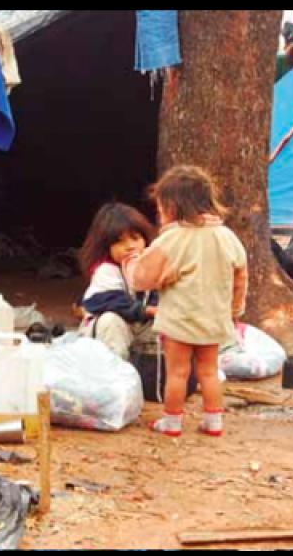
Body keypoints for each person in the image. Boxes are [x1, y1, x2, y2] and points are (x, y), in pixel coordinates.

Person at [124, 166, 248, 438]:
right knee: (209, 372)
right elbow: (241, 274)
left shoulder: (173, 239)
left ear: (171, 205)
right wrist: (234, 310)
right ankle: (214, 421)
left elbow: (142, 280)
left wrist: (131, 262)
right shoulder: (226, 237)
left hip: (179, 320)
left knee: (178, 373)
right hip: (214, 318)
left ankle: (172, 422)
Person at [77, 203, 158, 361]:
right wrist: (147, 310)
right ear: (106, 247)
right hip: (109, 338)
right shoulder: (106, 270)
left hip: (140, 332)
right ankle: (116, 378)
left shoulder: (152, 267)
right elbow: (110, 301)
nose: (130, 246)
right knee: (110, 321)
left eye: (135, 238)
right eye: (120, 242)